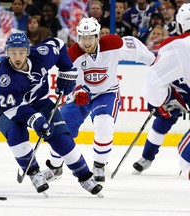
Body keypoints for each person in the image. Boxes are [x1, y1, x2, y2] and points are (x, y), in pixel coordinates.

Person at [0, 32, 103, 196]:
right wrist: (36, 120)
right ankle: (34, 173)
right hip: (7, 109)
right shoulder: (4, 76)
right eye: (13, 52)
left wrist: (67, 72)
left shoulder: (42, 55)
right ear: (7, 52)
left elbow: (58, 44)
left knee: (61, 139)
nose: (17, 57)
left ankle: (85, 177)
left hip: (41, 102)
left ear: (28, 51)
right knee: (16, 134)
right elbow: (15, 107)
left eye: (21, 52)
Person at [46, 17, 156, 183]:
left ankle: (99, 165)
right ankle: (55, 167)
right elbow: (66, 84)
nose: (87, 42)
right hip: (81, 96)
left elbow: (134, 46)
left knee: (104, 124)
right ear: (78, 38)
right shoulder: (72, 55)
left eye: (90, 37)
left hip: (107, 92)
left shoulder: (112, 44)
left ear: (97, 36)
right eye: (83, 38)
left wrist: (153, 62)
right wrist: (75, 91)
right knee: (62, 128)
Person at [132, 3, 190, 178]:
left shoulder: (175, 45)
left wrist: (157, 101)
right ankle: (147, 157)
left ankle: (185, 159)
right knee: (166, 114)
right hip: (183, 89)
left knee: (164, 111)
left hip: (179, 89)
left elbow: (155, 77)